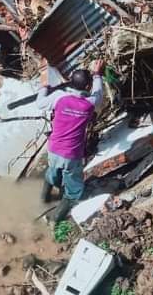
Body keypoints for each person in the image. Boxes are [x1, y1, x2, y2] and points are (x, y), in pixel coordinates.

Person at [36, 60, 105, 221]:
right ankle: (54, 221)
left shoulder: (59, 97)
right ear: (87, 87)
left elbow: (40, 104)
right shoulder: (90, 104)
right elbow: (99, 92)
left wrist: (44, 86)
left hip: (53, 149)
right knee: (74, 191)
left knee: (52, 173)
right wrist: (97, 74)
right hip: (72, 155)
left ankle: (43, 200)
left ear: (71, 83)